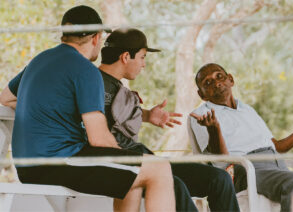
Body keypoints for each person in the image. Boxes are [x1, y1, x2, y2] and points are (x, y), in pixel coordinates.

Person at [0, 6, 176, 212]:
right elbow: (99, 139)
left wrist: (47, 107)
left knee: (132, 178)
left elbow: (6, 97)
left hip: (27, 166)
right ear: (96, 37)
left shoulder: (39, 60)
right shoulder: (85, 69)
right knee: (159, 168)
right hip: (60, 162)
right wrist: (126, 157)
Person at [98, 28, 240, 211]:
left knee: (219, 179)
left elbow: (114, 113)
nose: (144, 64)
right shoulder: (91, 82)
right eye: (142, 57)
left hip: (145, 158)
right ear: (126, 57)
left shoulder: (117, 87)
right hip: (125, 164)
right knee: (174, 185)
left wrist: (148, 115)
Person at [189, 63, 293, 211]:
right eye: (208, 83)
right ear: (202, 94)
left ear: (231, 80)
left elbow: (278, 147)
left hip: (276, 164)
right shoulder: (202, 115)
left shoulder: (247, 109)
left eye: (219, 76)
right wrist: (213, 129)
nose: (216, 83)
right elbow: (220, 158)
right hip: (245, 170)